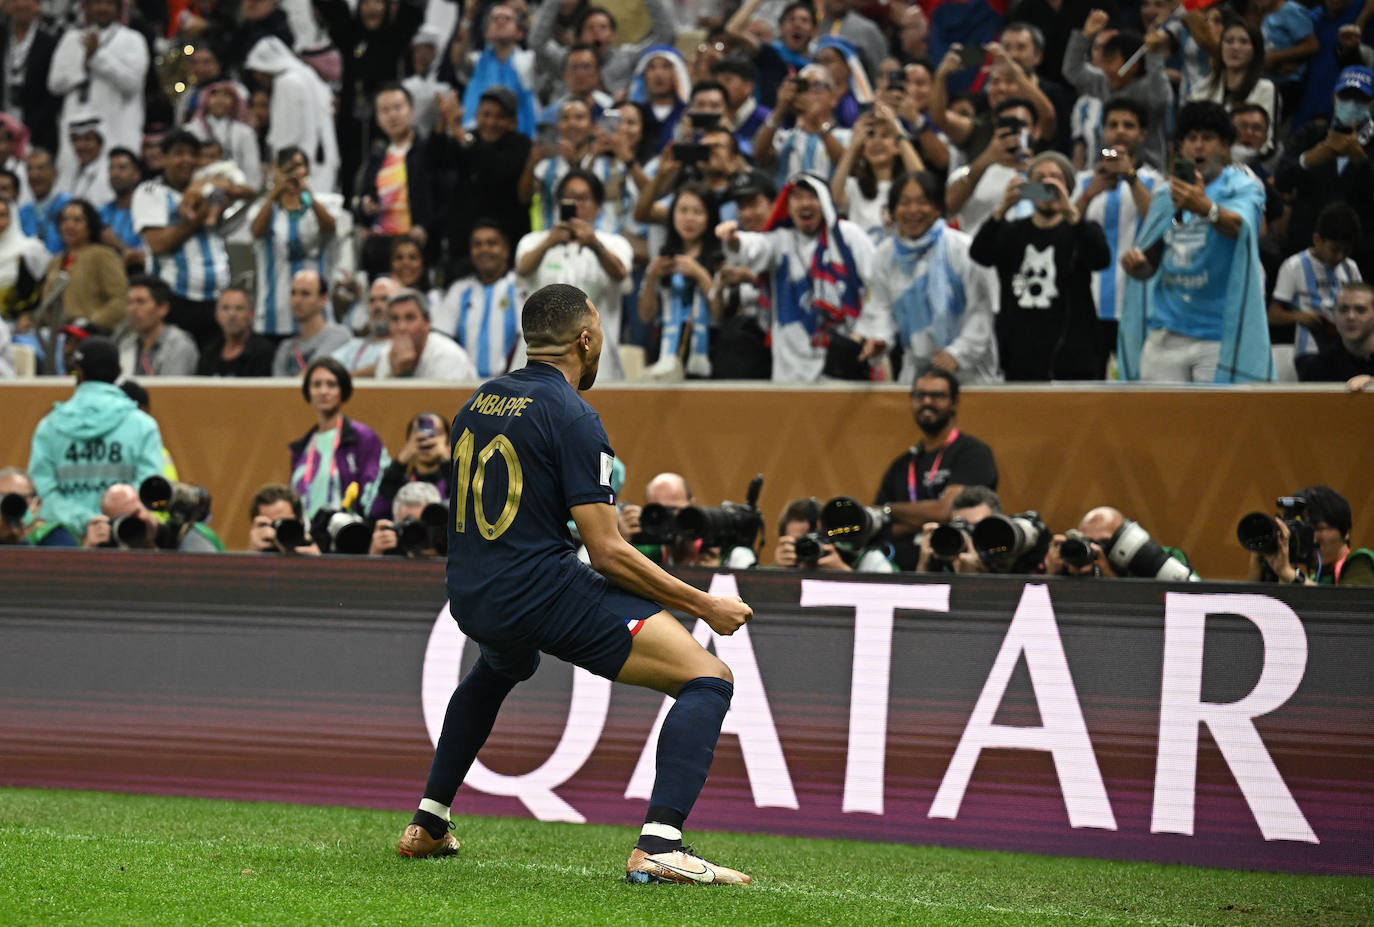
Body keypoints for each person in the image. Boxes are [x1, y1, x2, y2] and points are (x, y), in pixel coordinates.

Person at [397, 283, 753, 887]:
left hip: (472, 591)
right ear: (586, 341)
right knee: (708, 678)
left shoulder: (479, 401)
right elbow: (608, 552)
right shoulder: (573, 415)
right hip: (539, 590)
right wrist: (704, 605)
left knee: (504, 666)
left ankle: (429, 821)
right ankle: (661, 844)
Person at [1119, 101, 1271, 384]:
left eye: (1208, 138)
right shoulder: (1166, 195)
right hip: (1166, 333)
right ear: (1181, 147)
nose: (1199, 146)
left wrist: (1205, 208)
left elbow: (1242, 229)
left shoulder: (1242, 187)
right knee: (1155, 413)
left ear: (1224, 146)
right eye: (1191, 138)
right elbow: (1152, 260)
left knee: (1214, 415)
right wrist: (1137, 267)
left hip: (1218, 337)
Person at [716, 171, 876, 382]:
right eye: (798, 197)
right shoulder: (779, 241)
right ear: (787, 205)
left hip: (844, 369)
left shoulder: (849, 236)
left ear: (825, 201)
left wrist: (865, 333)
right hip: (790, 374)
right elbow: (753, 247)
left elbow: (878, 287)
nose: (805, 203)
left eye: (812, 196)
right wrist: (733, 240)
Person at [970, 150, 1111, 380]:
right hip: (1019, 356)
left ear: (1068, 188)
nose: (1047, 184)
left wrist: (1070, 212)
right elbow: (979, 254)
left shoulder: (1082, 230)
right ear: (1029, 188)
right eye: (1040, 179)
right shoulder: (1011, 231)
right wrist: (1002, 208)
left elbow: (1100, 259)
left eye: (1056, 178)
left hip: (1073, 357)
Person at [855, 171, 1000, 383]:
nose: (913, 210)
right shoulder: (884, 256)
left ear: (938, 208)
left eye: (922, 202)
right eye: (904, 203)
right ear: (892, 210)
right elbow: (879, 308)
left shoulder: (964, 249)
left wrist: (958, 354)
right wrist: (880, 339)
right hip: (917, 374)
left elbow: (982, 311)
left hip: (970, 372)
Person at [26, 335, 164, 536]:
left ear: (79, 371)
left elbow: (42, 494)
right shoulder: (143, 426)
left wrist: (85, 521)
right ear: (119, 371)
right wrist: (115, 519)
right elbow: (149, 490)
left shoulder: (49, 427)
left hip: (66, 539)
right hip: (127, 536)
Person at [873, 366, 998, 571]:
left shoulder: (972, 453)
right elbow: (879, 528)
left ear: (955, 402)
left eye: (937, 396)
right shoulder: (902, 464)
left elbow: (948, 511)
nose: (927, 402)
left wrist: (890, 510)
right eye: (919, 395)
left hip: (955, 567)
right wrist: (927, 516)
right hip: (899, 571)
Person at [514, 168, 632, 381]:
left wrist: (594, 243)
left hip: (598, 361)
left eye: (583, 198)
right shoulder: (533, 241)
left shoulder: (614, 243)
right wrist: (549, 241)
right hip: (539, 356)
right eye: (569, 198)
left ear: (598, 206)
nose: (576, 205)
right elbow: (522, 268)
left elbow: (620, 273)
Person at [132, 130, 241, 353]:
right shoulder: (150, 191)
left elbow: (245, 192)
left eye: (192, 154)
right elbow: (158, 244)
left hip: (216, 298)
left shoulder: (209, 189)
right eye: (179, 153)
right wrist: (198, 218)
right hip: (175, 298)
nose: (187, 160)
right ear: (164, 158)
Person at [1073, 97, 1166, 352]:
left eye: (1129, 125)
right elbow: (1065, 227)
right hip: (1088, 301)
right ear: (1103, 131)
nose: (1120, 131)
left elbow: (1160, 225)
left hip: (1137, 300)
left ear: (1142, 134)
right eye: (1113, 125)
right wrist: (1089, 194)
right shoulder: (1082, 181)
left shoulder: (1154, 181)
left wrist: (1131, 177)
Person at [1274, 66, 1374, 274]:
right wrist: (1310, 159)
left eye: (1360, 99)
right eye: (1345, 97)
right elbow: (1282, 180)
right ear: (1333, 98)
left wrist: (1361, 161)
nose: (1351, 104)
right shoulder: (1312, 134)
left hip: (1360, 257)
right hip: (1303, 248)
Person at [249, 146, 349, 339]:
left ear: (307, 171)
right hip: (274, 316)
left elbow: (331, 228)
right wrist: (273, 194)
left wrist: (307, 195)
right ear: (275, 172)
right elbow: (257, 232)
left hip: (317, 316)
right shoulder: (263, 209)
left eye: (298, 166)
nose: (293, 173)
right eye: (286, 168)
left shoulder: (324, 204)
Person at [46, 0, 148, 184]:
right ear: (88, 8)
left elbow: (132, 83)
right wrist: (82, 70)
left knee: (111, 181)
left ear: (118, 9)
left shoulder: (132, 39)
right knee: (69, 181)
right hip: (75, 122)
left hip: (116, 124)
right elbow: (54, 84)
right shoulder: (72, 38)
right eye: (97, 3)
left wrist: (97, 58)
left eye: (108, 4)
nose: (102, 8)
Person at [1063, 11, 1173, 170]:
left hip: (1147, 171)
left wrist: (1154, 54)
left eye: (1111, 61)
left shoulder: (1149, 88)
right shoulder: (1103, 82)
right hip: (1109, 165)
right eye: (1104, 61)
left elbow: (1163, 100)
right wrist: (1085, 37)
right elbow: (1072, 71)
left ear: (1132, 66)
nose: (1105, 68)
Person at [288, 356, 389, 520]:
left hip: (347, 531)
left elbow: (374, 495)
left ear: (343, 390)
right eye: (316, 385)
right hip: (307, 532)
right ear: (308, 392)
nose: (323, 391)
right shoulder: (301, 447)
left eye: (331, 384)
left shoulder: (363, 438)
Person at [639, 184, 722, 380]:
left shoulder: (720, 258)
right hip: (664, 347)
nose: (689, 218)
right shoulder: (662, 258)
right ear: (673, 215)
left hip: (708, 348)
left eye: (697, 212)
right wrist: (652, 277)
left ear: (710, 216)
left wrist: (701, 275)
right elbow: (645, 316)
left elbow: (720, 314)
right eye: (683, 210)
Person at [243, 37, 340, 194]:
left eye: (257, 71)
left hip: (301, 162)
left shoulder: (286, 82)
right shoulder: (306, 73)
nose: (257, 77)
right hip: (321, 156)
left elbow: (287, 133)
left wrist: (278, 166)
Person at [1270, 204, 1363, 365]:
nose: (1340, 256)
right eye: (1335, 250)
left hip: (1347, 349)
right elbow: (1273, 315)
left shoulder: (1350, 267)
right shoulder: (1294, 266)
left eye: (1346, 251)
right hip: (1310, 353)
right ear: (1317, 240)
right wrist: (1300, 316)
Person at [357, 84, 433, 275]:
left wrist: (425, 227)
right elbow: (363, 200)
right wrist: (366, 207)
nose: (392, 115)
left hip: (413, 247)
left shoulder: (427, 151)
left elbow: (438, 199)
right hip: (379, 246)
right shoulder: (376, 155)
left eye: (398, 108)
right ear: (377, 118)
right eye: (385, 110)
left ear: (411, 110)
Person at [432, 222, 523, 379]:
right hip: (464, 384)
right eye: (477, 244)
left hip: (512, 385)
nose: (484, 249)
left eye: (491, 243)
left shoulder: (519, 287)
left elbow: (526, 341)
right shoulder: (459, 290)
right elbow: (441, 339)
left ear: (506, 250)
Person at [830, 103, 925, 241]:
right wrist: (853, 147)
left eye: (885, 135)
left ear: (898, 146)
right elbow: (833, 199)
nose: (877, 142)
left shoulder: (908, 187)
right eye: (870, 135)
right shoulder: (853, 186)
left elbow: (922, 182)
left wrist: (897, 130)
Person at [1245, 486, 1373, 585]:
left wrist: (1288, 574)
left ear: (1346, 533)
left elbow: (1350, 604)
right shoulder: (1312, 580)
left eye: (1319, 528)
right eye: (1305, 530)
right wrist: (1259, 558)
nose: (1311, 538)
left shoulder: (1361, 561)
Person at [1187, 18, 1277, 156]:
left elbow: (1266, 144)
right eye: (1229, 41)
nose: (1235, 47)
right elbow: (1188, 134)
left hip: (1246, 163)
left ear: (1255, 50)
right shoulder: (1201, 89)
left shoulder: (1265, 89)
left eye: (1244, 42)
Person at [40, 198, 126, 330]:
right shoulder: (56, 261)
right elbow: (46, 306)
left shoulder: (103, 255)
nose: (69, 225)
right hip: (56, 333)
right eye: (64, 220)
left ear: (90, 226)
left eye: (77, 220)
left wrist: (91, 324)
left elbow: (121, 300)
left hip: (94, 332)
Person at [1043, 505, 1193, 578]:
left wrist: (1111, 580)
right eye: (1088, 542)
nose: (1096, 550)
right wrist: (1052, 576)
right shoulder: (1069, 565)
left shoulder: (1158, 560)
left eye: (1105, 544)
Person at [373, 287, 477, 380]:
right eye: (395, 319)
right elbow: (381, 396)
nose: (401, 327)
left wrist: (405, 373)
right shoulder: (386, 354)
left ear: (427, 322)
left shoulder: (448, 356)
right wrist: (396, 373)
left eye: (410, 318)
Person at [0, 0, 60, 155]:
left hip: (37, 129)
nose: (21, 4)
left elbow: (52, 95)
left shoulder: (50, 43)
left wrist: (29, 129)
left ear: (37, 5)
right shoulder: (2, 36)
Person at [93, 481, 223, 552]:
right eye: (129, 522)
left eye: (138, 511)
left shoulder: (190, 537)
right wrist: (90, 554)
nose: (141, 520)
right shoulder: (117, 557)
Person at [772, 497, 894, 572]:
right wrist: (778, 572)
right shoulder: (781, 565)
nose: (809, 546)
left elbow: (886, 599)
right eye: (799, 541)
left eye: (817, 538)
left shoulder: (869, 560)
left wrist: (843, 574)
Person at [272, 268, 352, 378]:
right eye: (293, 293)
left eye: (305, 294)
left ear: (323, 299)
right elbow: (276, 386)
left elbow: (314, 376)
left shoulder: (338, 335)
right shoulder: (285, 347)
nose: (297, 300)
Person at [369, 411, 450, 520]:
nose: (427, 440)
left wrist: (448, 462)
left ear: (448, 441)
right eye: (419, 432)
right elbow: (377, 514)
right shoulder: (398, 485)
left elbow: (463, 506)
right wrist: (400, 462)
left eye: (436, 433)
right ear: (409, 441)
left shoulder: (453, 482)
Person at [116, 275, 199, 377]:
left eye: (140, 302)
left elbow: (172, 386)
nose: (132, 309)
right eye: (130, 302)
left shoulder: (179, 346)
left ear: (163, 308)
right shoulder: (125, 342)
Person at [1297, 281, 1374, 388]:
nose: (1351, 316)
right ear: (1334, 315)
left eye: (1360, 310)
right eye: (1343, 310)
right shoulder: (1317, 368)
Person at [913, 484, 1002, 574]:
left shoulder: (1005, 554)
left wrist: (979, 573)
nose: (968, 537)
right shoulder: (943, 556)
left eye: (977, 527)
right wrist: (924, 564)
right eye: (962, 527)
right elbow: (921, 582)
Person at [197, 284, 275, 377]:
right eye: (225, 308)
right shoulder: (209, 353)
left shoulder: (263, 352)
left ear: (251, 314)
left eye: (239, 308)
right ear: (216, 315)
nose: (232, 315)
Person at [332, 276, 398, 376]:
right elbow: (324, 371)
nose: (377, 305)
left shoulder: (405, 346)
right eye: (372, 300)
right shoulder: (353, 346)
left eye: (384, 299)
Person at [0, 466, 79, 547]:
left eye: (18, 499)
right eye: (2, 497)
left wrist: (21, 538)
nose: (9, 505)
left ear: (37, 504)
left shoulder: (57, 536)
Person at [98, 147, 146, 272]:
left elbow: (146, 257)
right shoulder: (101, 213)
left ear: (137, 174)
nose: (115, 173)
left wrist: (116, 244)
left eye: (122, 168)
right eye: (111, 168)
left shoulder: (147, 212)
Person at [246, 482, 321, 554]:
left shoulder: (319, 539)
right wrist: (252, 554)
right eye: (272, 525)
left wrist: (317, 561)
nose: (280, 531)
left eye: (285, 523)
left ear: (301, 520)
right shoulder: (261, 549)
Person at [56, 114, 113, 205]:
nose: (81, 146)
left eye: (88, 139)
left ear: (100, 142)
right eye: (76, 139)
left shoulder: (109, 175)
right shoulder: (69, 173)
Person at [19, 147, 68, 252]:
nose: (34, 175)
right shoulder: (23, 213)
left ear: (54, 175)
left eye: (41, 168)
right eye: (29, 169)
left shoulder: (68, 206)